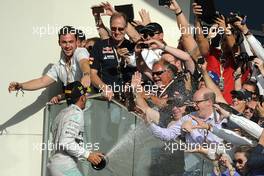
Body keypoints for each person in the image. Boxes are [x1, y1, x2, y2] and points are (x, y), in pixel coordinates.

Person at [8, 26, 91, 101]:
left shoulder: (80, 51)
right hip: (74, 106)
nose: (67, 45)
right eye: (64, 42)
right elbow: (42, 81)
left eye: (71, 41)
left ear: (76, 42)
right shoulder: (59, 66)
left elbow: (83, 62)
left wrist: (87, 74)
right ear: (59, 43)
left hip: (89, 103)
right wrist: (21, 85)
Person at [47, 81, 104, 176]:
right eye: (85, 95)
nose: (86, 98)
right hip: (64, 167)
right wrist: (88, 155)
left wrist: (89, 154)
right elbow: (66, 142)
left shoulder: (61, 113)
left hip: (56, 165)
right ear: (82, 98)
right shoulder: (76, 113)